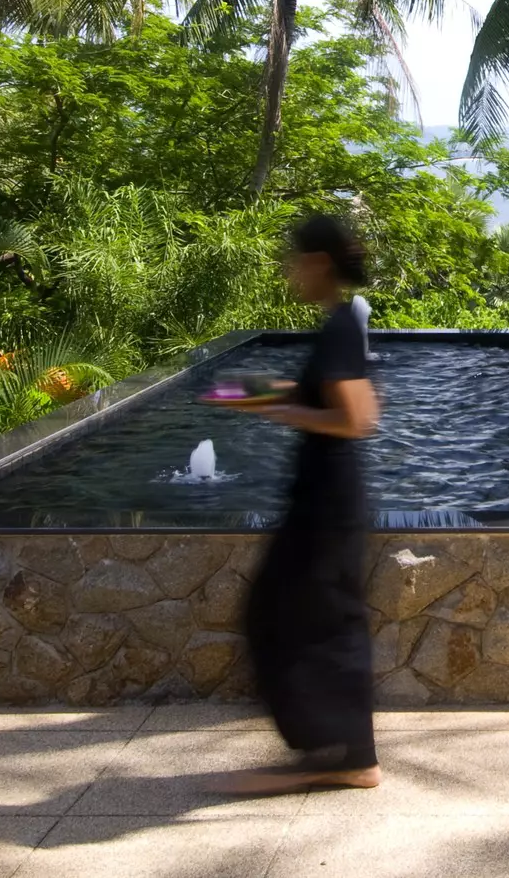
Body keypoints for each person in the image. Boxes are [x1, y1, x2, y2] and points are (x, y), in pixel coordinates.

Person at [215, 214, 381, 793]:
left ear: (320, 263)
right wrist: (250, 392)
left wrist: (282, 411)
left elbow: (359, 417)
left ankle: (349, 754)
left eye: (295, 261)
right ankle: (340, 749)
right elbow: (321, 395)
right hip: (322, 498)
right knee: (301, 615)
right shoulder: (340, 321)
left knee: (306, 617)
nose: (290, 272)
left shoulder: (340, 326)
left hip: (328, 504)